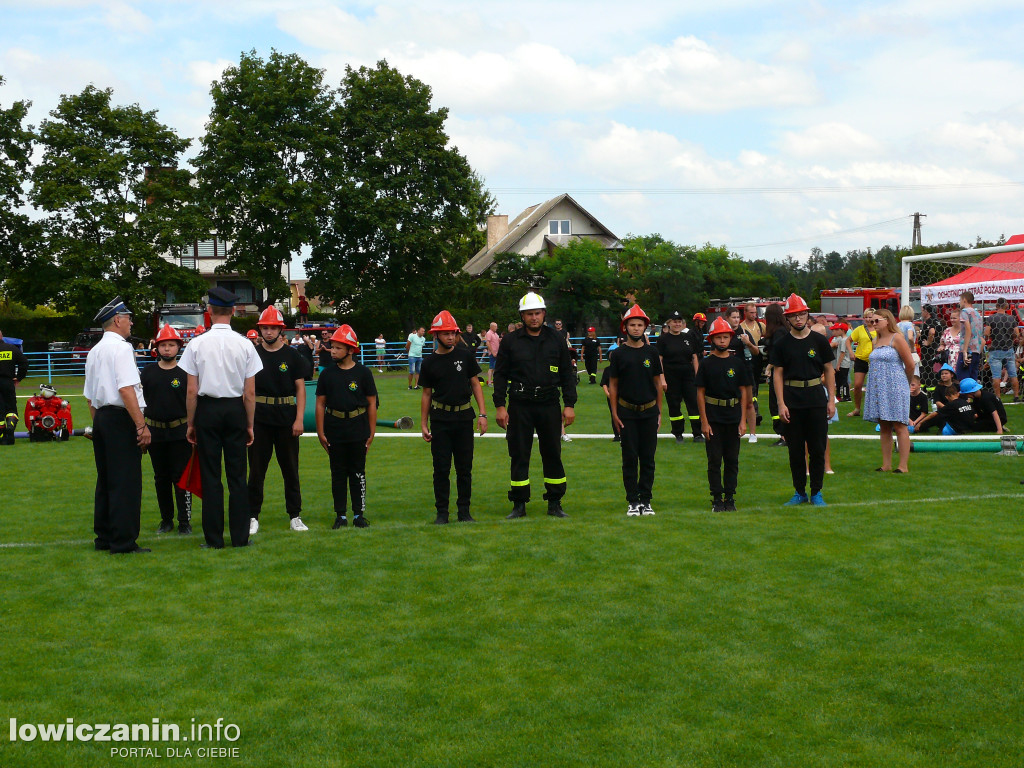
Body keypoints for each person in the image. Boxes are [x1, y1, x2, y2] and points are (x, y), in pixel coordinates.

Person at [178, 287, 262, 549]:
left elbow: (192, 390)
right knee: (237, 477)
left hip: (208, 411)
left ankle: (213, 539)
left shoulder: (197, 343)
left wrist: (191, 423)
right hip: (235, 410)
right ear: (234, 311)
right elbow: (250, 392)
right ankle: (240, 537)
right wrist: (249, 424)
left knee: (212, 477)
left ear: (210, 312)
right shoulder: (245, 344)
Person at [494, 291, 577, 519]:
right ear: (522, 316)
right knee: (519, 454)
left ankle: (555, 503)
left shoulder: (556, 339)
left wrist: (569, 404)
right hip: (520, 405)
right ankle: (519, 504)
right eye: (529, 314)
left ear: (544, 314)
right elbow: (500, 375)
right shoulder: (510, 341)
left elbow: (567, 374)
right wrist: (500, 406)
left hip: (549, 403)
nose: (533, 317)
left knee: (552, 452)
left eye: (537, 313)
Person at [83, 297, 151, 553]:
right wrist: (141, 426)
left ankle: (104, 536)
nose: (132, 323)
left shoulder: (95, 351)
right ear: (118, 320)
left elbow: (89, 396)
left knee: (107, 479)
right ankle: (123, 541)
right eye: (129, 318)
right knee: (125, 481)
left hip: (101, 418)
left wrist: (98, 426)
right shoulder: (122, 348)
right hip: (120, 419)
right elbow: (126, 389)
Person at [419, 310, 487, 524]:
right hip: (440, 419)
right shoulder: (429, 362)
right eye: (445, 333)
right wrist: (423, 423)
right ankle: (442, 513)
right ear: (436, 335)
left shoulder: (465, 356)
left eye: (453, 333)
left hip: (464, 417)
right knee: (441, 468)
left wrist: (483, 414)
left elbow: (475, 384)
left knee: (464, 468)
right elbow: (426, 394)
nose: (450, 337)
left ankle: (464, 511)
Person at [247, 306, 307, 534]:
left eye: (273, 328)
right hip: (260, 418)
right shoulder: (252, 354)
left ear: (281, 330)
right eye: (265, 328)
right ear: (260, 329)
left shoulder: (293, 356)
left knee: (291, 469)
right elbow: (247, 390)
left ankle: (295, 515)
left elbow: (300, 389)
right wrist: (248, 423)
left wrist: (299, 419)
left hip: (286, 417)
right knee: (255, 470)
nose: (269, 332)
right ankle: (252, 515)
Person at [771, 293, 835, 506]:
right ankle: (799, 492)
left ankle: (817, 492)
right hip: (792, 400)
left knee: (817, 448)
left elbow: (829, 370)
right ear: (787, 318)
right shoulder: (781, 344)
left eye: (802, 314)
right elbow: (777, 374)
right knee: (795, 450)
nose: (798, 319)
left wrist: (831, 399)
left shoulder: (819, 340)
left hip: (816, 397)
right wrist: (781, 403)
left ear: (807, 314)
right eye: (793, 315)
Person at [315, 325, 377, 529]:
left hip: (358, 428)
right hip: (334, 427)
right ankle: (340, 515)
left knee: (358, 472)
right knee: (338, 472)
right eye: (332, 347)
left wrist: (371, 432)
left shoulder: (363, 373)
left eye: (338, 348)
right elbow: (320, 404)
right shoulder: (326, 374)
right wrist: (320, 431)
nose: (332, 351)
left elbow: (371, 403)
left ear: (351, 350)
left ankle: (359, 514)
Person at [608, 305, 663, 516]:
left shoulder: (652, 352)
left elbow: (658, 384)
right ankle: (632, 500)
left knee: (648, 458)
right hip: (627, 413)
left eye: (640, 325)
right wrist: (614, 413)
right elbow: (613, 385)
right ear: (625, 327)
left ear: (645, 328)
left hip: (649, 412)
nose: (637, 328)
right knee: (629, 457)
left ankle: (646, 499)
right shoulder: (619, 354)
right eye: (633, 324)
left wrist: (658, 411)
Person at [140, 324, 192, 535]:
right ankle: (166, 519)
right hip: (155, 432)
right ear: (157, 347)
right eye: (163, 345)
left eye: (171, 345)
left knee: (181, 477)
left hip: (180, 432)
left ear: (179, 347)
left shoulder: (187, 373)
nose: (167, 349)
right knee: (161, 477)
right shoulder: (148, 372)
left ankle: (184, 521)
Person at [696, 316, 752, 512]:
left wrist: (743, 420)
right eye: (718, 337)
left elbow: (744, 391)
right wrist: (704, 421)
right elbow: (700, 393)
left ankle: (730, 497)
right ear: (712, 339)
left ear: (730, 339)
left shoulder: (737, 364)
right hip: (713, 416)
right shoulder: (706, 363)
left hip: (733, 415)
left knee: (732, 459)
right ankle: (716, 498)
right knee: (714, 459)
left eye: (725, 337)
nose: (722, 341)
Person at [862, 308, 915, 474]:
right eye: (872, 321)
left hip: (896, 386)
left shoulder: (897, 338)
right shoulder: (875, 340)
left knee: (899, 425)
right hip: (879, 387)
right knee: (884, 425)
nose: (873, 324)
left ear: (887, 321)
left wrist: (904, 383)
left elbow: (910, 364)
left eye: (877, 321)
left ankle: (903, 466)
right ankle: (886, 464)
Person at [656, 309, 702, 444]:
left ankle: (697, 433)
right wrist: (662, 379)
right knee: (674, 404)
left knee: (693, 404)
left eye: (679, 321)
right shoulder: (663, 339)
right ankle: (678, 433)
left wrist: (698, 376)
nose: (677, 324)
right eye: (674, 321)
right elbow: (659, 360)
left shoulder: (688, 337)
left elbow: (694, 357)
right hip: (671, 375)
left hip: (688, 375)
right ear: (669, 323)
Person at [726, 307, 760, 443]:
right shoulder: (724, 333)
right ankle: (733, 430)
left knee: (749, 403)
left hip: (744, 372)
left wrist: (748, 343)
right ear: (727, 318)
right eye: (733, 317)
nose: (735, 320)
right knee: (731, 403)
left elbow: (756, 352)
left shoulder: (744, 332)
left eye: (737, 317)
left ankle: (753, 434)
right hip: (728, 373)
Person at [762, 303, 788, 447]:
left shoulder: (778, 332)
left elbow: (779, 352)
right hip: (783, 372)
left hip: (778, 372)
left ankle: (784, 435)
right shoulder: (784, 330)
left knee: (776, 403)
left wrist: (769, 366)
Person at [985, 297, 1019, 400]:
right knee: (1013, 374)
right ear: (1006, 306)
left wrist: (991, 338)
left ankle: (998, 397)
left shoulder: (991, 318)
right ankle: (1016, 396)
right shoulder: (1011, 318)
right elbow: (1016, 333)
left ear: (996, 306)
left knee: (996, 375)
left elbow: (986, 333)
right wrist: (1011, 338)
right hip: (1008, 349)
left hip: (996, 349)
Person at [1, 329, 31, 445]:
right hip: (8, 382)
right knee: (11, 409)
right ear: (2, 336)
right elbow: (24, 363)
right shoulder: (11, 348)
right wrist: (19, 377)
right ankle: (10, 427)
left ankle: (1, 436)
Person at [846, 308, 876, 417]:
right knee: (858, 385)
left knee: (875, 386)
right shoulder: (859, 329)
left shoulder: (879, 328)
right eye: (866, 317)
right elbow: (848, 340)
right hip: (861, 359)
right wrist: (851, 352)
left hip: (875, 360)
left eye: (870, 316)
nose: (868, 319)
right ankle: (857, 408)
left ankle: (874, 410)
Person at [957, 291, 984, 381]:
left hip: (968, 350)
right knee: (973, 381)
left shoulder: (964, 312)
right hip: (976, 351)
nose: (959, 302)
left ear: (964, 300)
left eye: (960, 300)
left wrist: (964, 351)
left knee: (963, 380)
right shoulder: (977, 314)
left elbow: (968, 330)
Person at [918, 304, 945, 390]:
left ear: (926, 312)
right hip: (935, 349)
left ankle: (930, 390)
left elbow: (932, 332)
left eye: (922, 311)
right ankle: (928, 388)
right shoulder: (937, 321)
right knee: (932, 369)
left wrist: (928, 342)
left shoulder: (929, 321)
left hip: (929, 351)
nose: (921, 313)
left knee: (928, 369)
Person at [830, 323, 851, 401]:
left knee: (844, 380)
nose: (835, 331)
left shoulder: (844, 340)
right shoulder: (841, 339)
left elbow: (842, 353)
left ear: (842, 330)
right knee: (838, 380)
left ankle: (846, 396)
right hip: (841, 363)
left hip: (844, 363)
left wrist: (838, 364)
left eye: (837, 330)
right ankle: (838, 395)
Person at [897, 305, 920, 377]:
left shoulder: (897, 325)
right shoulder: (910, 325)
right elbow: (910, 337)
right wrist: (912, 348)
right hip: (909, 352)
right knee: (912, 375)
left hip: (899, 352)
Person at [938, 307, 961, 375]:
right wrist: (941, 347)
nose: (952, 320)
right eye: (951, 318)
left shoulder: (965, 331)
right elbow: (942, 343)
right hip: (947, 359)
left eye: (954, 318)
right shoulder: (947, 330)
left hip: (960, 359)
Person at [484, 322, 501, 386]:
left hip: (497, 352)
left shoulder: (495, 334)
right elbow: (487, 343)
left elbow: (496, 341)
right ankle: (489, 382)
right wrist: (492, 352)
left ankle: (494, 381)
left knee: (495, 367)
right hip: (492, 353)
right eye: (495, 326)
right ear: (492, 327)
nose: (497, 328)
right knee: (491, 367)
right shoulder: (489, 333)